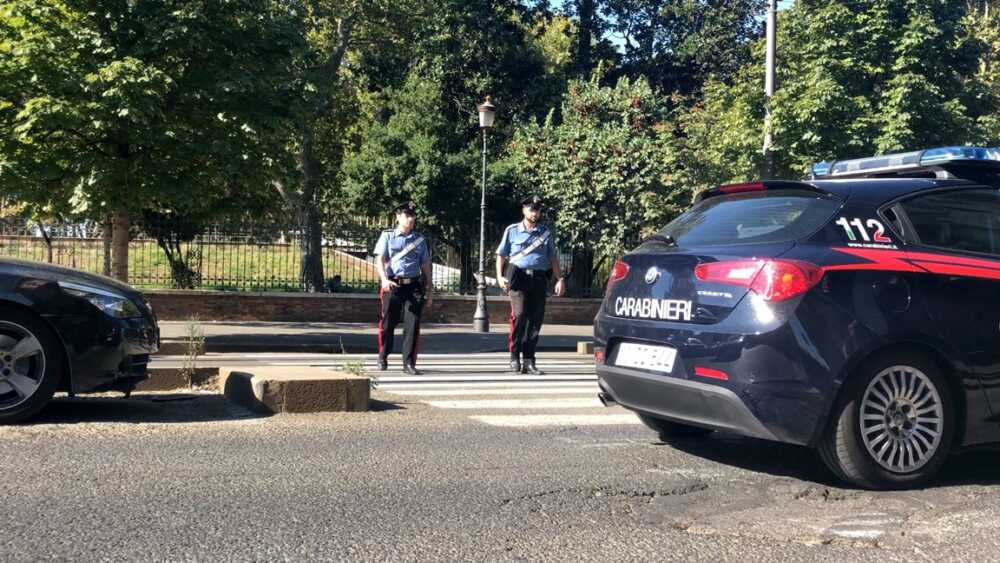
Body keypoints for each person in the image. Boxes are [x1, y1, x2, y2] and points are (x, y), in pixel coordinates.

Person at [495, 195, 566, 375]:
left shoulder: (545, 232)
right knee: (519, 316)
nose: (535, 213)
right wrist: (499, 276)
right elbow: (501, 255)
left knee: (535, 320)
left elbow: (552, 258)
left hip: (539, 279)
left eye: (537, 210)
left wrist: (560, 279)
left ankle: (529, 360)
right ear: (524, 210)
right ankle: (514, 357)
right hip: (518, 278)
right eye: (532, 209)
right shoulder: (512, 231)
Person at [373, 202, 434, 375]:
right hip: (392, 284)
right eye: (407, 215)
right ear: (398, 216)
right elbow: (379, 260)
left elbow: (425, 265)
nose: (411, 219)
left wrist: (430, 289)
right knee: (387, 324)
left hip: (413, 285)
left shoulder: (419, 240)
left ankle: (408, 362)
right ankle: (383, 356)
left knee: (412, 324)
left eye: (412, 216)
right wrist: (384, 279)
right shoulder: (388, 236)